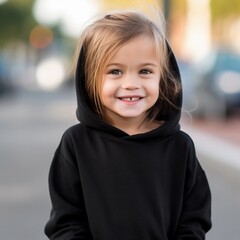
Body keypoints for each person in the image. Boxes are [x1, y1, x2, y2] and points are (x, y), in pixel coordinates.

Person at [44, 10, 212, 239]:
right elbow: (66, 222)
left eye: (145, 71)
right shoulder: (76, 144)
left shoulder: (179, 147)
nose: (131, 83)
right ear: (90, 78)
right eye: (115, 71)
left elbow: (193, 219)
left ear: (163, 77)